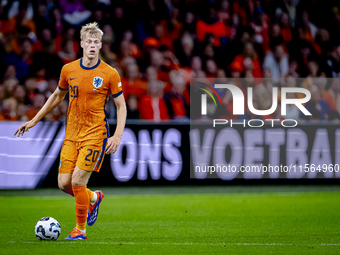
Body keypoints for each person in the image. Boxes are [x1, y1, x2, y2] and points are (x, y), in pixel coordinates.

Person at [14, 22, 127, 240]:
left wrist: (117, 136)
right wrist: (35, 119)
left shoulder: (109, 73)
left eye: (96, 42)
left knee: (77, 181)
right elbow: (57, 96)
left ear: (101, 45)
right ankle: (94, 197)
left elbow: (121, 106)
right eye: (89, 42)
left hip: (95, 134)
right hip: (72, 135)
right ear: (82, 44)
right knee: (64, 184)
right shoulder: (68, 69)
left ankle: (80, 230)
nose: (92, 46)